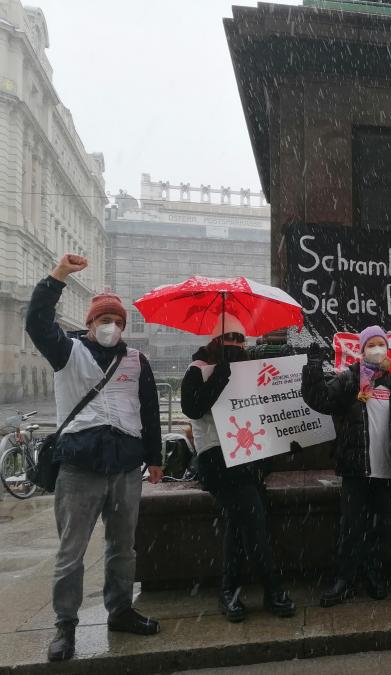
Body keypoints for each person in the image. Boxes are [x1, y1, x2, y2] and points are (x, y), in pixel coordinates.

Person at [25, 254, 163, 663]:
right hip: (79, 467)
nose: (112, 327)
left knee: (123, 547)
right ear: (89, 324)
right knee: (72, 550)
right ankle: (65, 626)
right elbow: (36, 321)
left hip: (125, 468)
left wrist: (154, 459)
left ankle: (119, 610)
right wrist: (58, 277)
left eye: (117, 322)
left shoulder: (137, 361)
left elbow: (149, 411)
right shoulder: (66, 351)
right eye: (105, 320)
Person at [180, 314, 295, 623]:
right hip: (217, 460)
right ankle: (272, 589)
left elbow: (267, 412)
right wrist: (222, 375)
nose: (235, 344)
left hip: (248, 460)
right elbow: (193, 408)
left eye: (239, 339)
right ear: (215, 341)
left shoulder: (250, 372)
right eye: (228, 338)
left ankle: (229, 590)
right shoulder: (198, 371)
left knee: (238, 523)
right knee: (253, 521)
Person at [302, 326, 391, 607]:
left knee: (379, 528)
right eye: (371, 345)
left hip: (387, 472)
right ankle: (344, 579)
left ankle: (374, 574)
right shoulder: (350, 380)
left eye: (381, 344)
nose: (377, 349)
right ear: (362, 349)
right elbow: (320, 400)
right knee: (351, 528)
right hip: (357, 469)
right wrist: (313, 367)